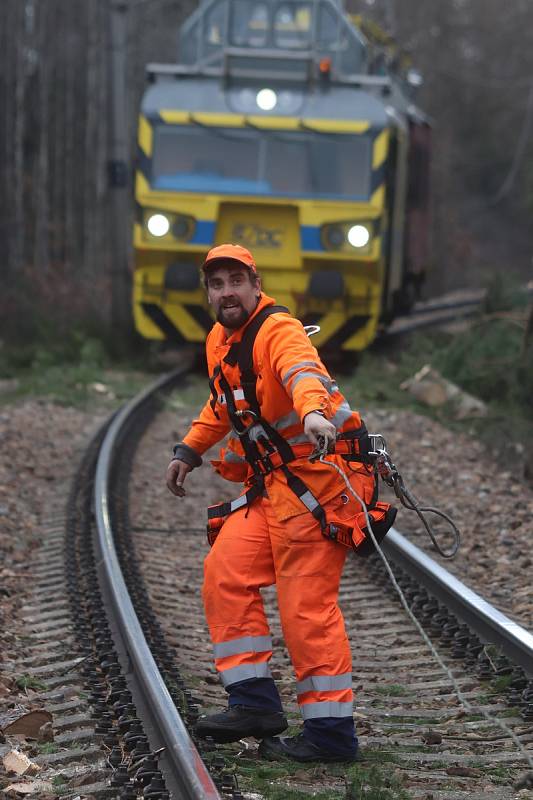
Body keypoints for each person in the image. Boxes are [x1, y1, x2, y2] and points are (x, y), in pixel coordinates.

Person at [166, 243, 395, 763]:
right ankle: (254, 705)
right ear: (209, 294)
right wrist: (190, 448)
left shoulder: (278, 330)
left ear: (255, 284)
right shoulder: (220, 341)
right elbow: (224, 402)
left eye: (235, 281)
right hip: (276, 490)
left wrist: (314, 413)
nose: (227, 292)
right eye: (217, 284)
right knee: (225, 573)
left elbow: (302, 371)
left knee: (305, 611)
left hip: (321, 489)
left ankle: (331, 736)